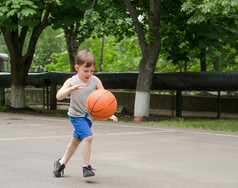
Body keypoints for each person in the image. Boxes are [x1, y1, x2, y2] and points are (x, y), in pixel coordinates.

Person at [53, 49, 118, 178]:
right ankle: (86, 167)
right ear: (77, 68)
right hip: (76, 116)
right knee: (88, 138)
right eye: (85, 71)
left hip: (89, 117)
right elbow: (58, 96)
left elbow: (104, 99)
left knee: (76, 141)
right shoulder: (72, 81)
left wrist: (109, 114)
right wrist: (70, 89)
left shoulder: (95, 81)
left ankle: (60, 163)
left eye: (91, 71)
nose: (89, 73)